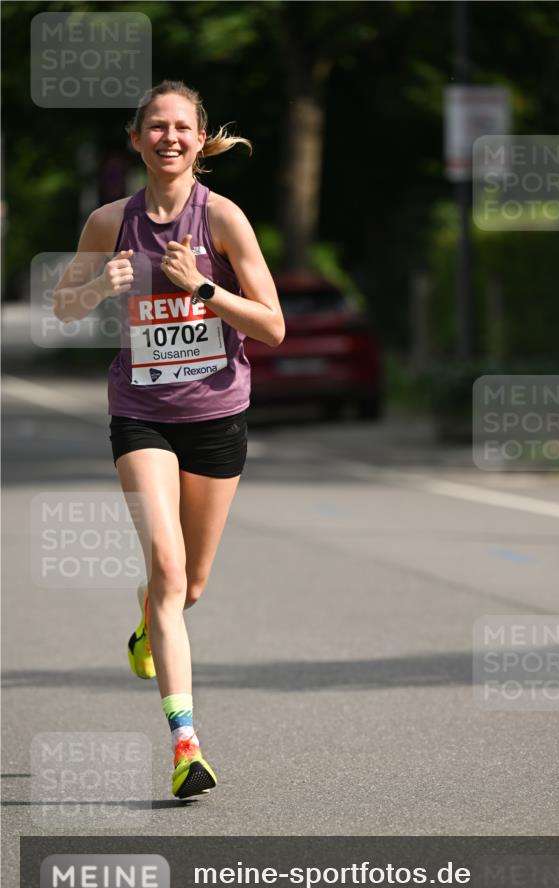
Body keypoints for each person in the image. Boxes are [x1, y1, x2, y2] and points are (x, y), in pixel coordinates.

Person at [53, 80, 285, 799]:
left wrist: (204, 289)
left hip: (216, 413)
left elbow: (273, 327)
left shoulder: (223, 218)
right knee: (166, 565)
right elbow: (62, 308)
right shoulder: (109, 222)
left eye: (182, 127)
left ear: (200, 138)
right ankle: (186, 745)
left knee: (191, 584)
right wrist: (99, 287)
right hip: (141, 413)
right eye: (156, 127)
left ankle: (146, 625)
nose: (169, 138)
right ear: (136, 140)